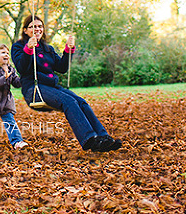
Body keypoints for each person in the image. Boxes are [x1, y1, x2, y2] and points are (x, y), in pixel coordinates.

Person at [11, 15, 122, 153]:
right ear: (26, 30)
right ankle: (89, 139)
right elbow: (22, 68)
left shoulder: (48, 49)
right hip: (34, 89)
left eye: (40, 26)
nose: (37, 29)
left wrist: (68, 50)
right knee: (68, 101)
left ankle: (103, 137)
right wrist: (28, 49)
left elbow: (62, 68)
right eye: (33, 26)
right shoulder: (18, 47)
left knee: (81, 102)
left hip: (52, 87)